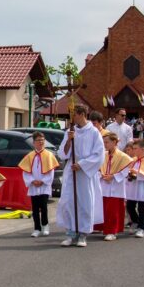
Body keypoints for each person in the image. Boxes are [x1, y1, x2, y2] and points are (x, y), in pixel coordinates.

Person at [56, 105, 105, 247]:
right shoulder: (70, 131)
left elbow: (99, 154)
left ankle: (83, 234)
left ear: (82, 114)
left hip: (85, 173)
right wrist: (69, 140)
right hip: (71, 171)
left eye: (74, 115)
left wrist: (82, 164)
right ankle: (70, 233)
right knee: (68, 201)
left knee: (84, 202)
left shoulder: (94, 132)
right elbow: (62, 153)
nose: (72, 118)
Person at [18, 132, 59, 237]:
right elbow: (26, 172)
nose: (41, 142)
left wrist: (43, 181)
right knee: (35, 208)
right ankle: (37, 228)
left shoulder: (49, 155)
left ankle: (45, 225)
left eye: (42, 140)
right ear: (34, 142)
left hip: (44, 185)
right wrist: (32, 181)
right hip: (33, 186)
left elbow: (51, 171)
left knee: (44, 206)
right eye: (38, 140)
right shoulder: (30, 156)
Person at [99, 132, 133, 241]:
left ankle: (112, 231)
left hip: (116, 186)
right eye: (104, 142)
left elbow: (126, 171)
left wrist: (113, 176)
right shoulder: (103, 154)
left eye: (107, 142)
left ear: (114, 142)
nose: (105, 144)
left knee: (114, 210)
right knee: (104, 208)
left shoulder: (123, 156)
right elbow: (98, 168)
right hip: (104, 184)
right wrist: (101, 175)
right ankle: (104, 228)